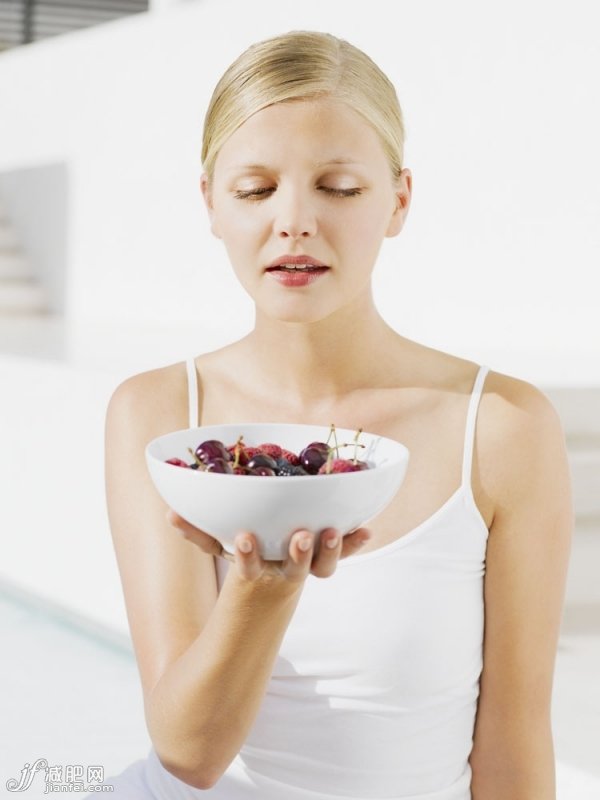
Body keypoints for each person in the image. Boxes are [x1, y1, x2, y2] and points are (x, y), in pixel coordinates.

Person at [97, 30, 573, 800]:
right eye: (255, 190)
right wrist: (263, 590)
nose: (293, 222)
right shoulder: (157, 414)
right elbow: (188, 754)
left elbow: (516, 747)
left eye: (340, 188)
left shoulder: (502, 427)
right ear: (211, 203)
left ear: (399, 201)